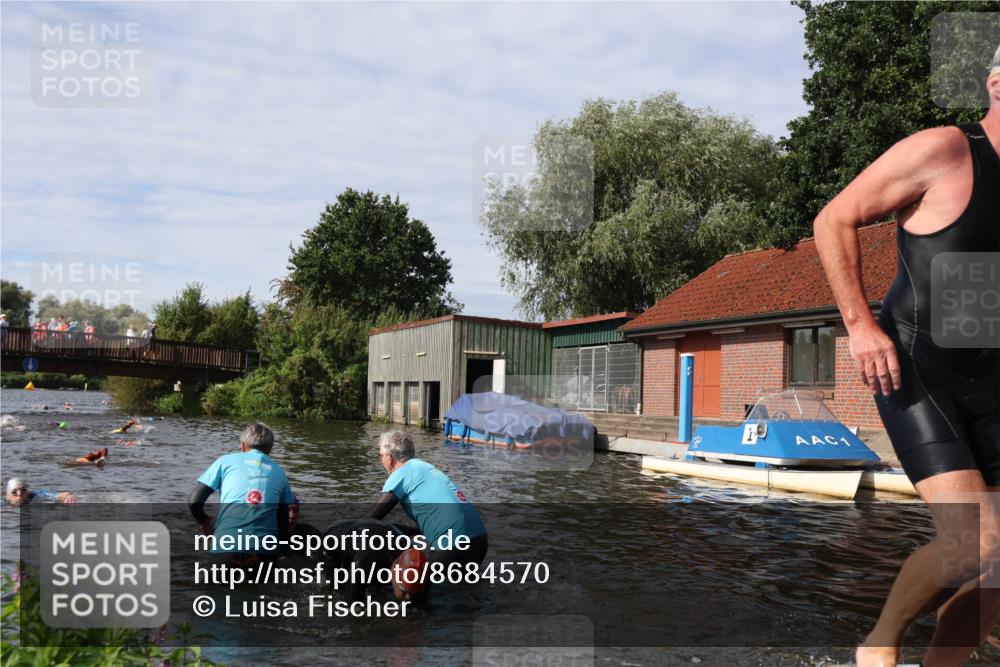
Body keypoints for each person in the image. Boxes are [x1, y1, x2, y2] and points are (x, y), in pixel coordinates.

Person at [814, 44, 1000, 667]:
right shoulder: (946, 150)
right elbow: (834, 219)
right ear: (996, 82)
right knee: (973, 540)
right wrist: (861, 326)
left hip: (993, 380)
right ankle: (878, 645)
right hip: (919, 369)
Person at [368, 430, 488, 600]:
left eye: (379, 456)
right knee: (459, 595)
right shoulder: (424, 468)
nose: (381, 461)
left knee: (413, 594)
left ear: (388, 456)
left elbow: (371, 519)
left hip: (453, 545)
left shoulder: (401, 474)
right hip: (479, 540)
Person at [188, 422, 294, 557]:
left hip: (226, 548)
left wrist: (203, 521)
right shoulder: (280, 473)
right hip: (264, 552)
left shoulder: (225, 461)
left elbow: (194, 501)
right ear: (270, 449)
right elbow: (283, 521)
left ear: (242, 445)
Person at [5, 478, 76, 506]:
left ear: (28, 492)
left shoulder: (36, 494)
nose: (19, 494)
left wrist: (69, 496)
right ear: (7, 497)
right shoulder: (3, 503)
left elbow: (60, 495)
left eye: (23, 490)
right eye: (14, 492)